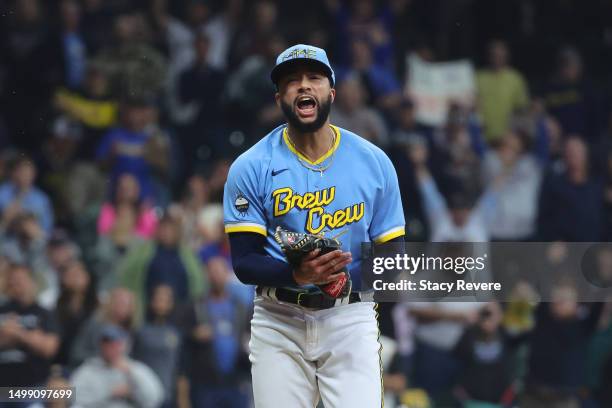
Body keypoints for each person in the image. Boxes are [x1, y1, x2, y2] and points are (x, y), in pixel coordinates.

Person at [223, 44, 405, 407]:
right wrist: (299, 274)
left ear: (331, 92)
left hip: (349, 319)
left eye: (314, 78)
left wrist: (343, 278)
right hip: (279, 320)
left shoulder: (374, 162)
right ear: (279, 98)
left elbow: (392, 261)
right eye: (292, 81)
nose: (303, 86)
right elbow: (244, 262)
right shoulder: (251, 165)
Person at [180, 256, 251, 408]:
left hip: (236, 380)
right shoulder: (196, 306)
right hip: (205, 382)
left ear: (227, 274)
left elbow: (249, 338)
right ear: (206, 275)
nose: (216, 276)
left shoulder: (240, 307)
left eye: (219, 271)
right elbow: (183, 341)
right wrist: (194, 334)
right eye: (212, 272)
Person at [71, 324, 164, 408]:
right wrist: (110, 393)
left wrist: (133, 391)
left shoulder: (136, 369)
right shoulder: (88, 369)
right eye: (106, 343)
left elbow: (155, 399)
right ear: (100, 345)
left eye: (115, 344)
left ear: (125, 345)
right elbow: (71, 397)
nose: (110, 348)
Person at [0, 264, 60, 388]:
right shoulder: (2, 311)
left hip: (32, 385)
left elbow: (49, 348)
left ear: (32, 283)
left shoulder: (43, 313)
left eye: (20, 280)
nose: (16, 284)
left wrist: (17, 334)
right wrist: (32, 338)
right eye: (12, 280)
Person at [132, 284, 181, 408]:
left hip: (167, 395)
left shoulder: (176, 332)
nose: (162, 304)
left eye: (166, 300)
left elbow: (180, 368)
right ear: (151, 301)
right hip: (143, 393)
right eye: (158, 299)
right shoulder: (140, 331)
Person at [476, 40, 530, 142]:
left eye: (501, 55)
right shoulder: (478, 77)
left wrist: (515, 134)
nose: (497, 58)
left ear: (507, 57)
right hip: (482, 137)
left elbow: (521, 108)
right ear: (488, 56)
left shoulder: (515, 78)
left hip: (508, 139)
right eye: (494, 55)